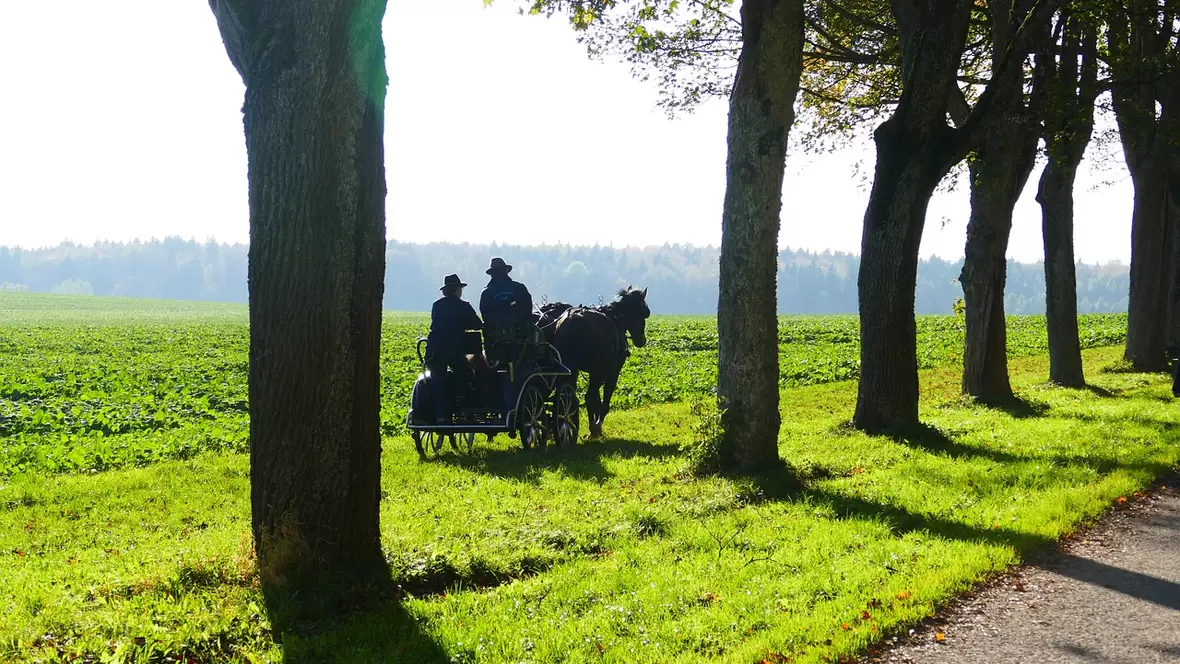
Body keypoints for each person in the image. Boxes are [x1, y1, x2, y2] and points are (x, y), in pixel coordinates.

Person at [426, 274, 482, 424]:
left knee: (438, 381)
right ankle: (460, 401)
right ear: (457, 290)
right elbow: (478, 324)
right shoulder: (463, 306)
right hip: (454, 348)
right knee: (464, 372)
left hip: (434, 349)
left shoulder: (436, 305)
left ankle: (441, 416)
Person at [479, 257, 533, 327]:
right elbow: (528, 313)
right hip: (520, 334)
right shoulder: (519, 288)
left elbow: (484, 315)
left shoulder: (486, 293)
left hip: (495, 335)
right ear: (506, 271)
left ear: (492, 274)